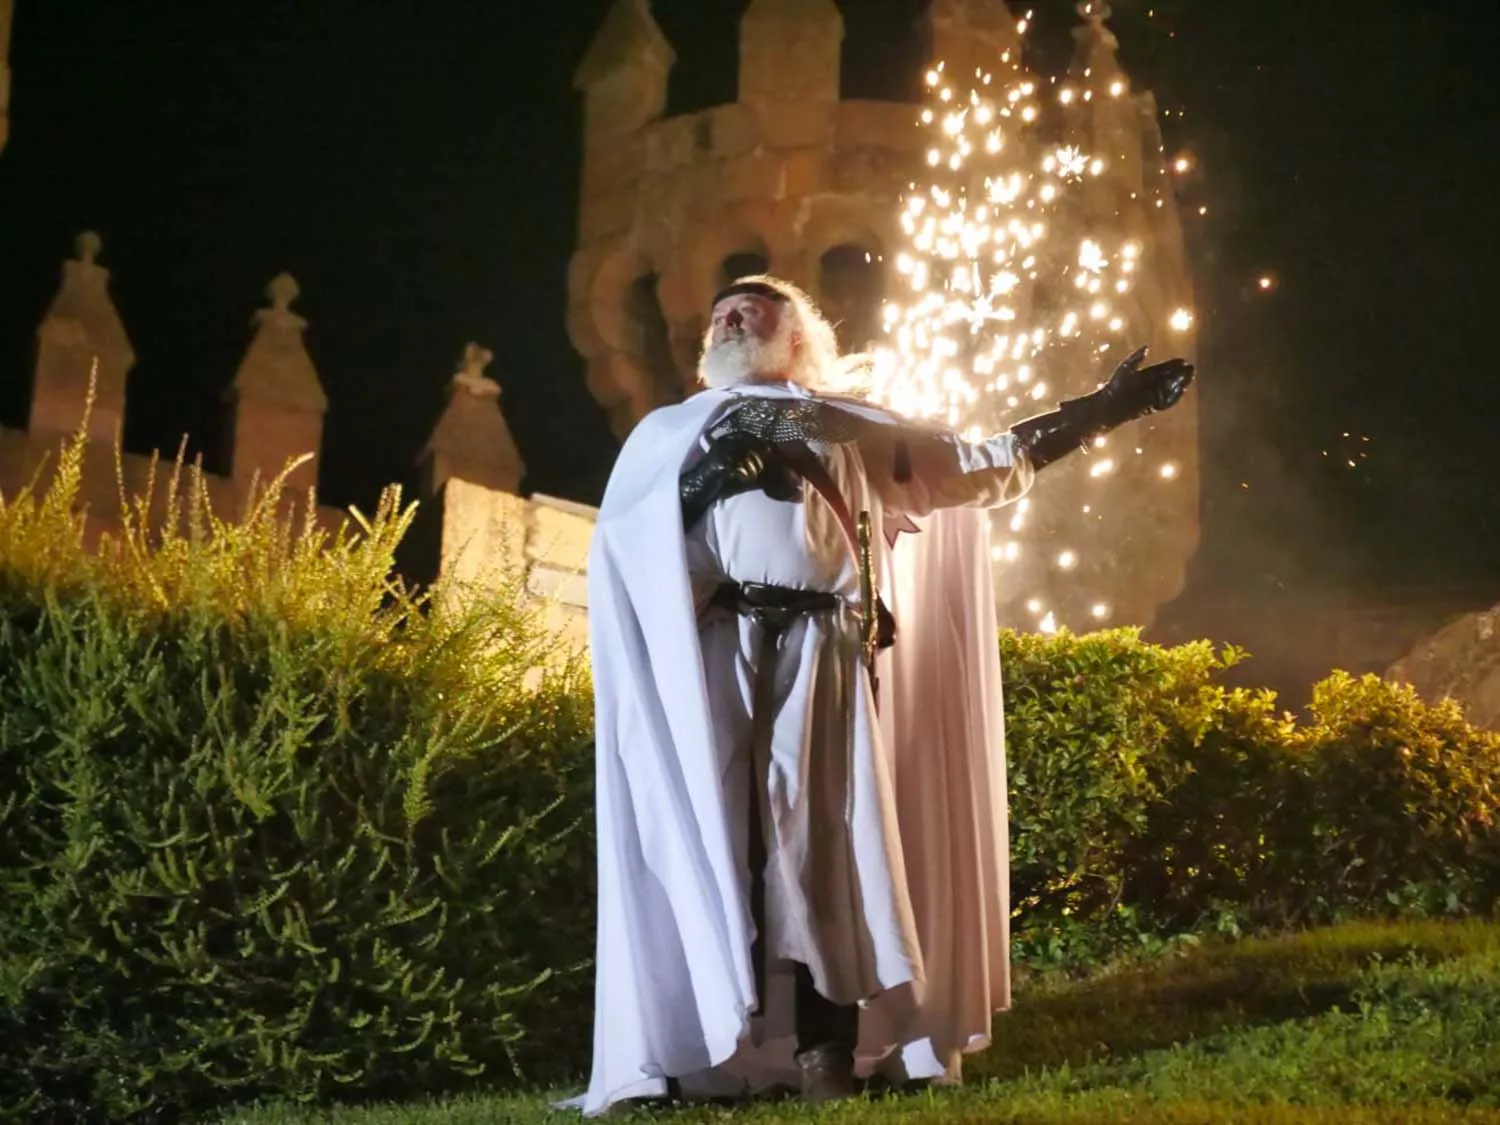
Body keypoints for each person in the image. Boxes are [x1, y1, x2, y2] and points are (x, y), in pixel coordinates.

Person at [574, 275, 1193, 1115]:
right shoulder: (668, 434)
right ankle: (697, 1048)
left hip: (821, 653)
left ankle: (826, 1047)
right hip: (711, 654)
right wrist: (703, 481)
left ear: (796, 335)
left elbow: (981, 464)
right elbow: (621, 550)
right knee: (716, 834)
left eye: (753, 306)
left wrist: (1102, 409)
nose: (729, 312)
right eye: (720, 307)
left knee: (823, 841)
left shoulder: (847, 425)